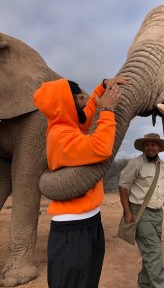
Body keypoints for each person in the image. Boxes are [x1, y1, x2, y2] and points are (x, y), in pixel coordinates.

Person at [34, 75, 130, 288]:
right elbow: (101, 147)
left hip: (89, 222)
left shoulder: (69, 125)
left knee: (88, 281)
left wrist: (102, 87)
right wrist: (106, 110)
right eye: (82, 97)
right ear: (68, 103)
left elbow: (85, 115)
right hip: (72, 230)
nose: (87, 100)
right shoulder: (60, 136)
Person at [119, 133, 164, 288]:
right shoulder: (136, 163)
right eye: (147, 145)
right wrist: (127, 212)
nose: (151, 148)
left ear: (159, 148)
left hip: (158, 215)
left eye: (154, 145)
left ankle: (144, 285)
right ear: (143, 147)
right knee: (153, 255)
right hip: (141, 214)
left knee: (150, 254)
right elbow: (123, 186)